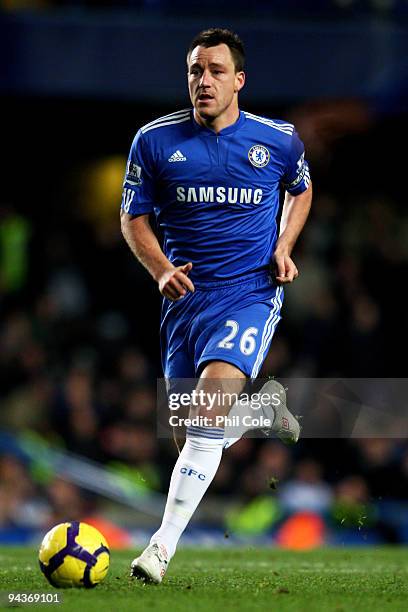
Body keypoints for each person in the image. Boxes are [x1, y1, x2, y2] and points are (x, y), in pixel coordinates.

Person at [120, 28, 312, 583]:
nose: (204, 81)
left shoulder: (278, 140)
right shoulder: (154, 141)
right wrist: (160, 269)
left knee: (203, 421)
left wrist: (283, 245)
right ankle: (261, 412)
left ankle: (158, 550)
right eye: (195, 71)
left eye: (216, 71)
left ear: (239, 80)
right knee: (190, 437)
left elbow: (300, 189)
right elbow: (133, 217)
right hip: (183, 305)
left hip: (249, 293)